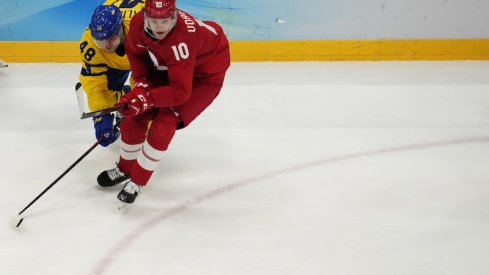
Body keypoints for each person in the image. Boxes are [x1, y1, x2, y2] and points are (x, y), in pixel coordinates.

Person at [96, 0, 231, 204]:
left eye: (165, 21)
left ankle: (138, 181)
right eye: (154, 21)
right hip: (171, 66)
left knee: (164, 123)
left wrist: (146, 99)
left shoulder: (182, 40)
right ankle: (124, 169)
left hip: (203, 75)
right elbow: (136, 53)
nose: (159, 27)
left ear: (174, 17)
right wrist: (141, 86)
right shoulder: (137, 23)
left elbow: (179, 92)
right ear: (145, 17)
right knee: (133, 119)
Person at [77, 0, 144, 147]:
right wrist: (101, 115)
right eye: (100, 41)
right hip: (116, 62)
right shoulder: (89, 42)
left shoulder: (142, 31)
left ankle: (128, 98)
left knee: (147, 109)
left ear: (120, 30)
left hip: (140, 55)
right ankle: (122, 97)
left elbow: (147, 79)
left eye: (111, 40)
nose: (106, 46)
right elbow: (94, 84)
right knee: (107, 95)